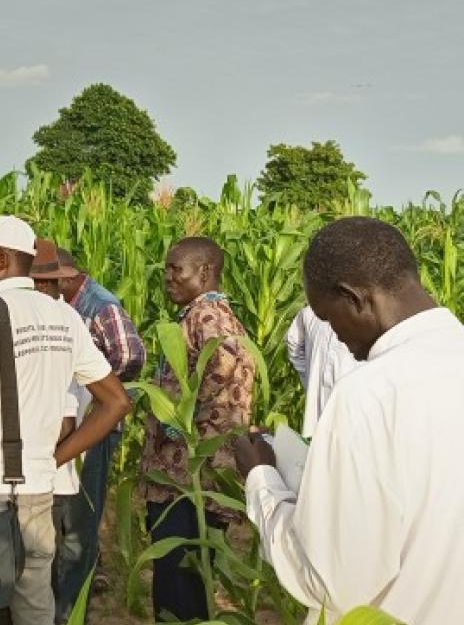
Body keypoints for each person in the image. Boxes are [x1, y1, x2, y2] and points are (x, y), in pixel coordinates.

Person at [237, 217, 464, 624]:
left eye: (328, 317)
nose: (333, 335)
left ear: (355, 298)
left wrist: (261, 479)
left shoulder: (366, 394)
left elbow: (329, 583)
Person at [0, 216, 133, 625]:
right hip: (37, 497)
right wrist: (52, 459)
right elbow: (117, 402)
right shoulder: (64, 315)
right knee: (35, 611)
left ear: (1, 260)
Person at [139, 237, 255, 622]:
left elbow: (222, 367)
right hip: (185, 477)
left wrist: (180, 421)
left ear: (204, 272)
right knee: (185, 578)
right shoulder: (198, 315)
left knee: (179, 581)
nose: (168, 278)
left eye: (177, 269)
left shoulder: (208, 316)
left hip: (188, 478)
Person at [56, 247, 145, 611]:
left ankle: (72, 606)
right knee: (68, 511)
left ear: (65, 276)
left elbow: (130, 357)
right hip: (72, 424)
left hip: (96, 424)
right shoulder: (70, 304)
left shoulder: (100, 305)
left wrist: (94, 387)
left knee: (82, 514)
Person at [27, 238, 98, 625]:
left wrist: (48, 457)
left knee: (40, 570)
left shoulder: (62, 325)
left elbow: (64, 421)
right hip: (58, 472)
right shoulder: (70, 322)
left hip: (46, 473)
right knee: (47, 567)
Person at [283, 305, 357, 437]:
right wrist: (310, 378)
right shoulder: (310, 314)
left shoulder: (311, 313)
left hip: (349, 423)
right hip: (323, 423)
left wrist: (311, 379)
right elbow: (293, 341)